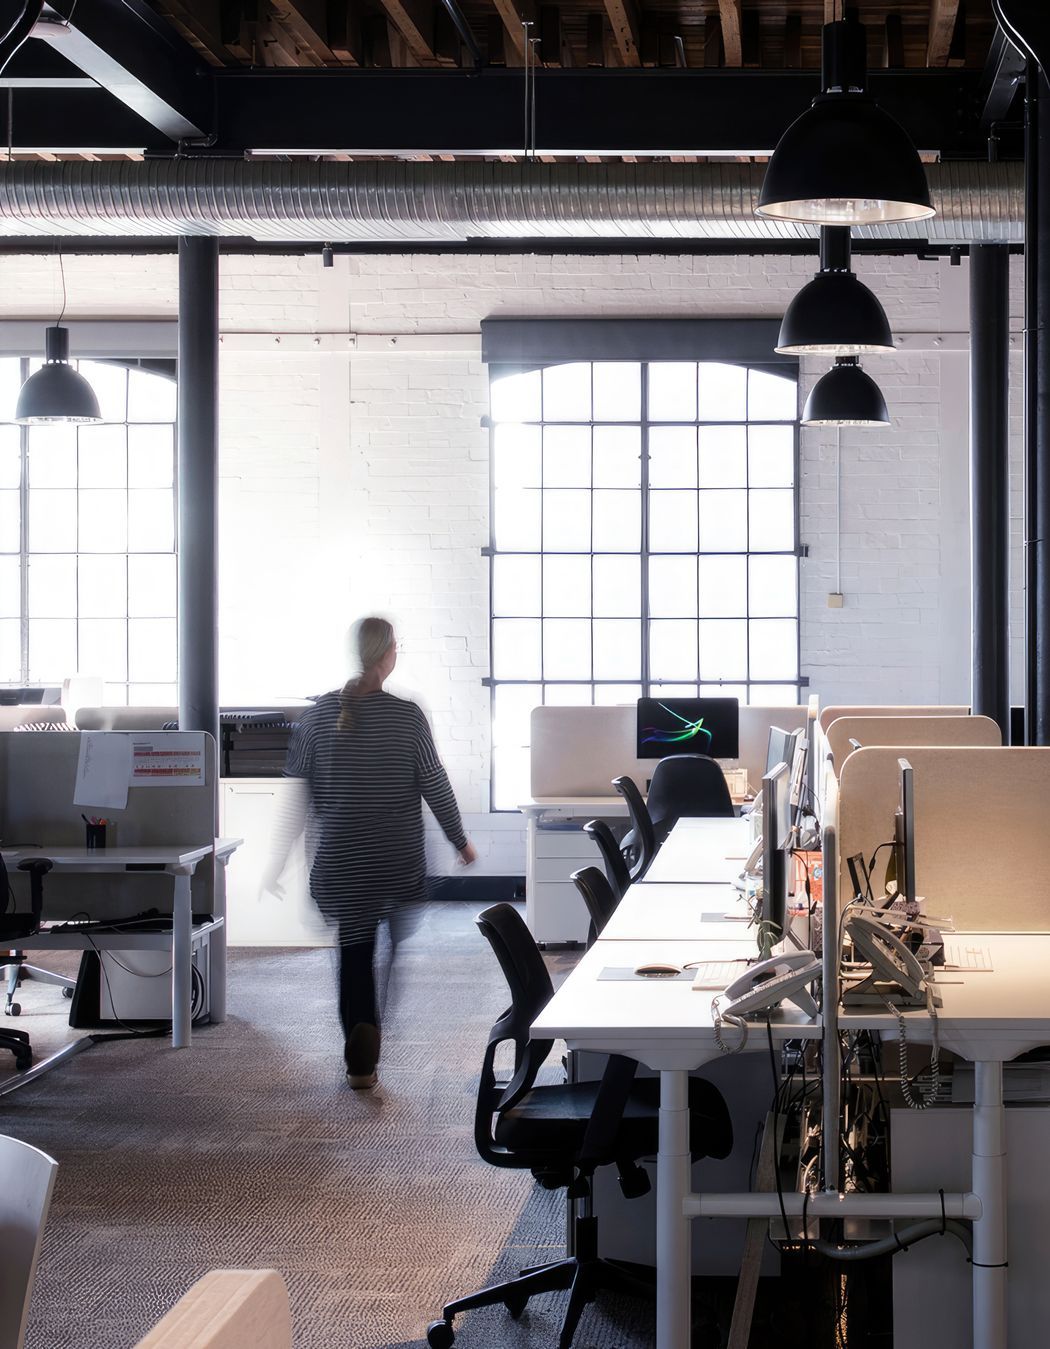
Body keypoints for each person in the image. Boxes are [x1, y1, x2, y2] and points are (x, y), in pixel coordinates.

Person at [266, 616, 476, 1088]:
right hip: (396, 863)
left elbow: (297, 797)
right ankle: (374, 1019)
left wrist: (279, 859)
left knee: (354, 952)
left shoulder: (317, 717)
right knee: (390, 942)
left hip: (342, 864)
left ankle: (360, 1054)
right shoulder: (407, 715)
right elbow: (435, 783)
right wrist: (459, 840)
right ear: (388, 655)